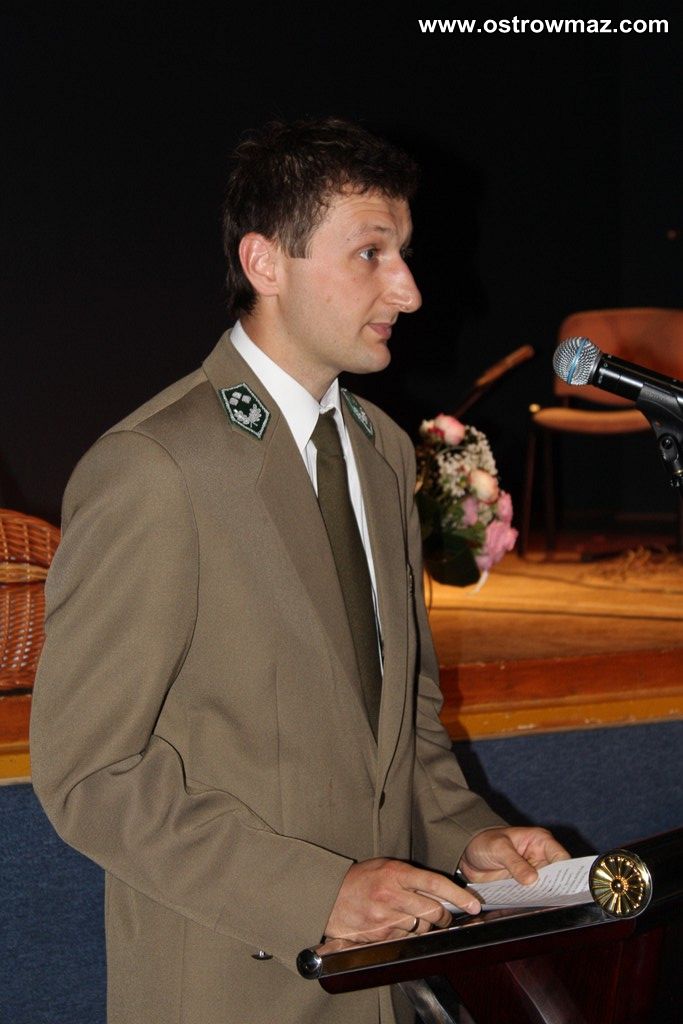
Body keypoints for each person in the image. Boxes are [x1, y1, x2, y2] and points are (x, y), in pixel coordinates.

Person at [30, 118, 568, 1024]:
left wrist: (467, 836)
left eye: (403, 253)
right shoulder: (156, 469)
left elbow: (404, 729)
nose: (407, 288)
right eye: (370, 253)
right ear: (265, 263)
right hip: (231, 987)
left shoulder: (382, 450)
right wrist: (314, 893)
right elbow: (90, 774)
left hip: (384, 982)